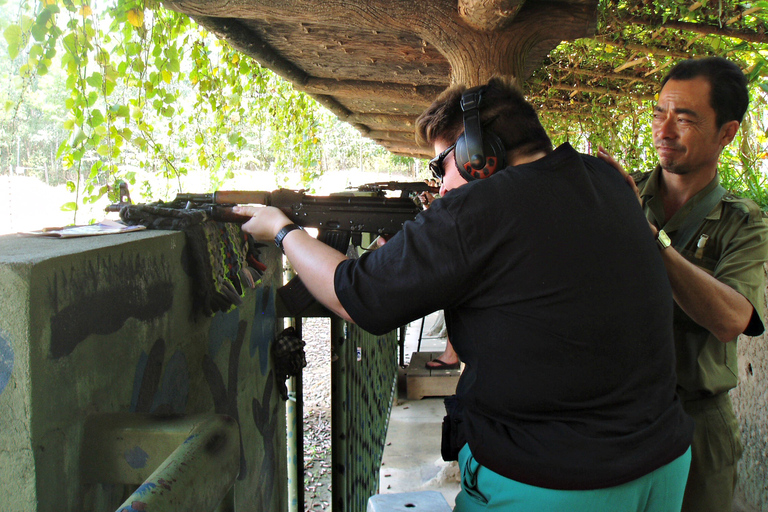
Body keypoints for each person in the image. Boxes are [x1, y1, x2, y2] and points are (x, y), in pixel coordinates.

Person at [235, 77, 694, 511]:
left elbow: (355, 296)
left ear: (480, 153)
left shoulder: (480, 207)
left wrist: (281, 230)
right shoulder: (606, 179)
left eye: (441, 164)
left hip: (554, 480)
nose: (441, 184)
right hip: (662, 462)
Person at [599, 56, 768, 512]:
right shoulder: (619, 193)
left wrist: (648, 238)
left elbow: (733, 319)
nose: (664, 130)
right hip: (615, 414)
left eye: (685, 118)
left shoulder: (744, 222)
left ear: (727, 133)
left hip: (698, 423)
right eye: (659, 114)